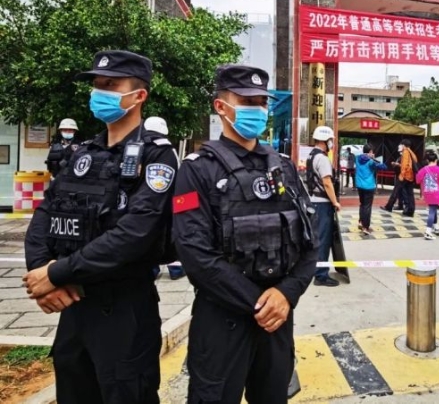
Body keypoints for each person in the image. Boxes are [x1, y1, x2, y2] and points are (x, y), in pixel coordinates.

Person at [23, 50, 179, 404]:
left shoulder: (157, 155)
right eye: (97, 85)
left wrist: (58, 272)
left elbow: (135, 233)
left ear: (139, 95)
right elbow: (46, 212)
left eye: (111, 85)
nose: (99, 92)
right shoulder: (82, 152)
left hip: (123, 307)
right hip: (73, 305)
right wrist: (42, 272)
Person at [171, 64, 318, 404]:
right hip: (222, 320)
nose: (258, 109)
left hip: (277, 320)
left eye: (262, 102)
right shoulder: (196, 170)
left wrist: (286, 294)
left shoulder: (283, 167)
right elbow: (194, 253)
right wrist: (261, 303)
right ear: (221, 107)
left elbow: (311, 240)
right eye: (247, 101)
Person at [144, 116, 185, 282]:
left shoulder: (137, 148)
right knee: (171, 234)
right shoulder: (168, 150)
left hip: (144, 204)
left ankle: (152, 267)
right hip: (169, 202)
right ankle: (175, 267)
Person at [305, 125, 341, 287]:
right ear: (324, 140)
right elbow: (327, 182)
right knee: (323, 240)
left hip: (313, 202)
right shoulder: (322, 158)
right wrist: (335, 202)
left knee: (317, 239)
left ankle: (317, 271)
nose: (332, 142)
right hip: (322, 204)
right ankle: (321, 275)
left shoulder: (311, 156)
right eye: (331, 140)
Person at [416, 150, 439, 240]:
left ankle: (436, 226)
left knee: (433, 209)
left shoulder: (423, 170)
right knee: (432, 211)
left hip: (427, 192)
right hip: (436, 192)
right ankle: (428, 231)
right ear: (436, 160)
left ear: (427, 160)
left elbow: (418, 180)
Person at [354, 144, 387, 235]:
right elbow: (383, 167)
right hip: (368, 186)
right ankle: (366, 227)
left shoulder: (357, 158)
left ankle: (361, 222)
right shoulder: (371, 162)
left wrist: (369, 157)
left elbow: (362, 158)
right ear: (370, 152)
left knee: (362, 204)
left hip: (359, 185)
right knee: (367, 207)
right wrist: (374, 158)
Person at [380, 145, 406, 212]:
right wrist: (395, 164)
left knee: (396, 191)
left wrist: (397, 164)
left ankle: (389, 206)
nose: (399, 151)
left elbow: (405, 166)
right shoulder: (400, 157)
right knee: (400, 191)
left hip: (402, 176)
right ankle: (400, 205)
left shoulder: (405, 156)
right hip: (400, 175)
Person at [398, 139, 418, 217]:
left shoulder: (405, 152)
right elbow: (416, 160)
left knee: (400, 191)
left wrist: (402, 175)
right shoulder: (410, 152)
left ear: (403, 145)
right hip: (411, 176)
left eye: (401, 144)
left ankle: (390, 206)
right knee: (410, 194)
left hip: (406, 176)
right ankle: (411, 210)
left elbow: (405, 165)